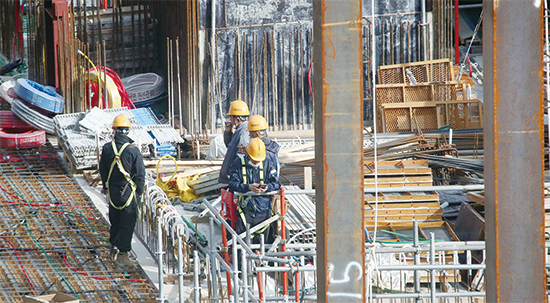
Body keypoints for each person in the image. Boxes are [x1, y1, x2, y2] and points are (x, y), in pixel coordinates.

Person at [99, 114, 145, 267]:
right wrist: (139, 193)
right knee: (127, 223)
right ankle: (123, 254)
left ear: (114, 130)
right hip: (129, 193)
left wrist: (106, 187)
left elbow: (103, 170)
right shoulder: (133, 150)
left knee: (115, 220)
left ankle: (113, 247)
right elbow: (140, 174)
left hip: (112, 192)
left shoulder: (107, 148)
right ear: (128, 131)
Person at [228, 138, 281, 243]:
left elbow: (277, 184)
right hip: (245, 212)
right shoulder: (238, 164)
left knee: (263, 248)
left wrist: (267, 187)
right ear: (248, 153)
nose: (257, 161)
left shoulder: (267, 164)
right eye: (254, 159)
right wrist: (248, 187)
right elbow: (232, 185)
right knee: (243, 248)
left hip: (264, 212)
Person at [219, 100, 250, 184]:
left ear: (237, 119)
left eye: (231, 117)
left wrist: (233, 173)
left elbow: (241, 156)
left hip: (235, 178)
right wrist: (228, 132)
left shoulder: (244, 132)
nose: (230, 119)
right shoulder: (239, 130)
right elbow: (230, 147)